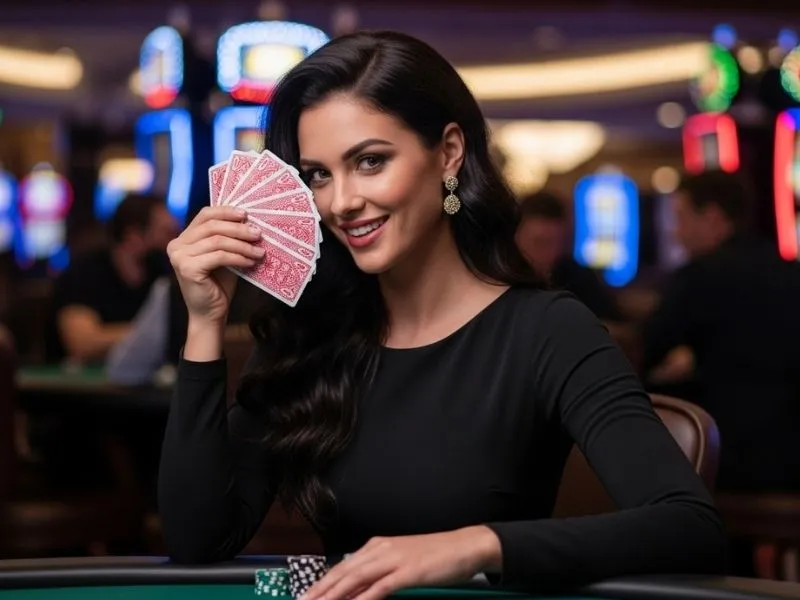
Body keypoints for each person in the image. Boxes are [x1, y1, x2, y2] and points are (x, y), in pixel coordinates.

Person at [159, 31, 725, 594]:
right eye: (319, 175)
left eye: (371, 161)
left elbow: (690, 526)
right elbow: (196, 541)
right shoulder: (312, 330)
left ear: (449, 152)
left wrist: (480, 545)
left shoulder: (546, 330)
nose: (340, 201)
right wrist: (204, 324)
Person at [643, 170, 800, 494]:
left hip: (728, 459)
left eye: (681, 218)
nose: (676, 233)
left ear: (713, 218)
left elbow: (647, 351)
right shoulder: (791, 273)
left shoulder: (700, 275)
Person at [45, 192, 178, 363]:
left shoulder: (160, 272)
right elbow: (82, 344)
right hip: (74, 386)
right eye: (166, 233)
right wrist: (152, 332)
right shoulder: (84, 273)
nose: (175, 241)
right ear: (133, 236)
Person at [515, 191, 623, 323]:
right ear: (515, 239)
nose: (551, 254)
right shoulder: (499, 281)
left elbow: (613, 327)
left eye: (558, 242)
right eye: (540, 243)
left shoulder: (579, 278)